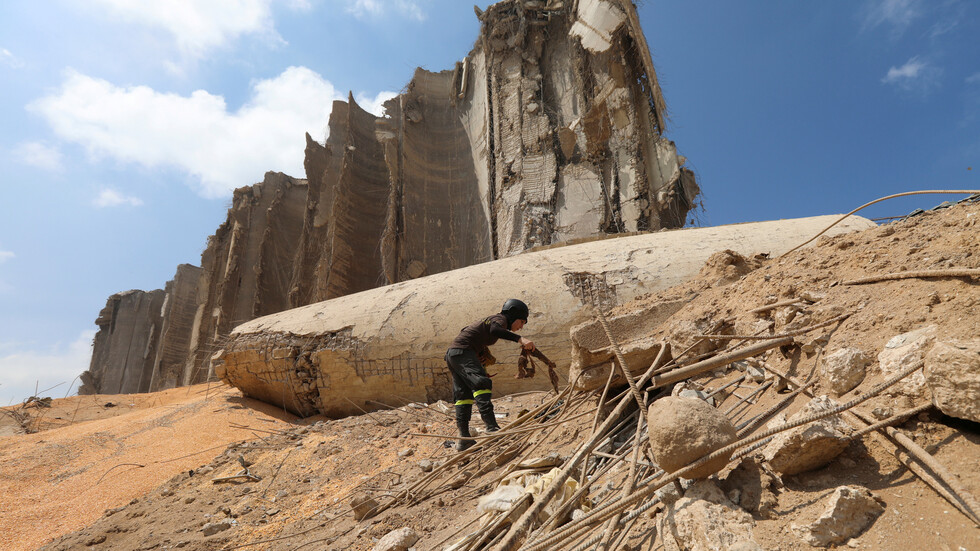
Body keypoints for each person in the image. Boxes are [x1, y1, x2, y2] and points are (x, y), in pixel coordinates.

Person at [445, 299, 535, 451]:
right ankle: (492, 427)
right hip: (462, 352)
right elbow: (495, 330)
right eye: (521, 321)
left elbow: (465, 330)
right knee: (482, 383)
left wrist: (479, 352)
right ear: (512, 314)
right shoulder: (499, 320)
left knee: (463, 396)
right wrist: (520, 339)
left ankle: (464, 439)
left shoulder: (489, 320)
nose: (521, 326)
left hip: (453, 354)